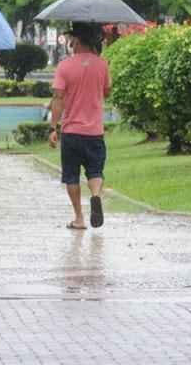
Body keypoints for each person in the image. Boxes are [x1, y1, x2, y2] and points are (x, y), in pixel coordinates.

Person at [48, 22, 112, 230]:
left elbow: (58, 98)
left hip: (71, 132)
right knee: (95, 171)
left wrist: (53, 128)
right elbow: (107, 91)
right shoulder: (102, 65)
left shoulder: (64, 66)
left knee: (71, 176)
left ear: (76, 40)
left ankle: (79, 218)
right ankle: (95, 195)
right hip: (94, 131)